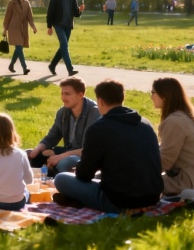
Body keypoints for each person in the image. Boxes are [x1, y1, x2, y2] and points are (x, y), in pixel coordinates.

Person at [53, 80, 163, 213]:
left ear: (100, 101)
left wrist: (80, 169)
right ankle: (76, 200)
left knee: (61, 179)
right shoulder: (145, 123)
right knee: (99, 177)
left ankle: (78, 200)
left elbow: (84, 175)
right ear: (122, 98)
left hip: (119, 201)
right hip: (152, 197)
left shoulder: (100, 128)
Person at [151, 77, 194, 195]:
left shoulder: (174, 122)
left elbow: (165, 162)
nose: (151, 97)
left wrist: (140, 166)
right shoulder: (189, 116)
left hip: (192, 183)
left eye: (153, 93)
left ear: (164, 96)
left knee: (139, 181)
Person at [27, 77, 101, 175]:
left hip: (85, 157)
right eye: (62, 93)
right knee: (27, 155)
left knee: (65, 163)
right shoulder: (63, 112)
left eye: (67, 94)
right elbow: (51, 137)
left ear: (80, 95)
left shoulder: (94, 113)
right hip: (66, 152)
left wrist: (59, 154)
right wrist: (38, 149)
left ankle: (60, 181)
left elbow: (88, 150)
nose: (63, 98)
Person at [46, 0, 84, 76]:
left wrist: (80, 10)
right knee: (64, 45)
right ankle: (70, 69)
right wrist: (49, 27)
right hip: (58, 24)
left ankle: (52, 65)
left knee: (63, 46)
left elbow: (75, 13)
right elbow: (50, 12)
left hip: (68, 25)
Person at [4, 0, 37, 75]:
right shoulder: (12, 3)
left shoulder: (26, 3)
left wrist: (33, 27)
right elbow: (7, 17)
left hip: (23, 28)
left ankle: (11, 65)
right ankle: (24, 68)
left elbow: (30, 17)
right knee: (19, 46)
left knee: (19, 48)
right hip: (14, 27)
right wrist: (5, 29)